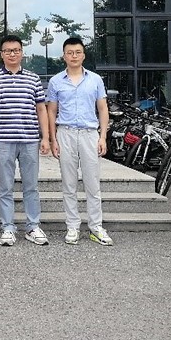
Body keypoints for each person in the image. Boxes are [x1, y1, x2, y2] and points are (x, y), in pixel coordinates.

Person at [45, 37, 113, 246]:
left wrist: (102, 136)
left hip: (89, 134)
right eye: (69, 52)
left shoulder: (95, 80)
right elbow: (51, 111)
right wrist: (53, 139)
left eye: (77, 52)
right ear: (64, 56)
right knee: (69, 183)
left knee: (92, 183)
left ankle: (96, 227)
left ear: (83, 55)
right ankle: (72, 226)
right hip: (65, 133)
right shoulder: (56, 81)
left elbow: (102, 109)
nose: (73, 56)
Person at [0, 35, 50, 246]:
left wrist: (45, 137)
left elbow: (41, 109)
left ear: (22, 53)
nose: (12, 54)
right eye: (7, 50)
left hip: (30, 140)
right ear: (1, 54)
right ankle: (8, 228)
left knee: (31, 186)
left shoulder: (33, 78)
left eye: (16, 50)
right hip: (3, 140)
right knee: (5, 187)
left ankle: (33, 226)